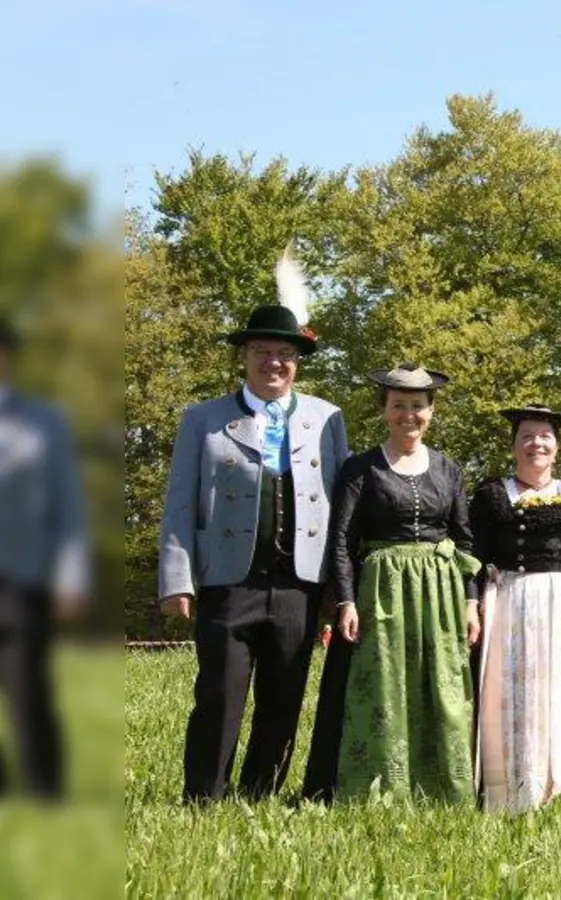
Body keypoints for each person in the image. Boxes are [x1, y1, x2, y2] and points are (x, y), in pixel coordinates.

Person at [157, 288, 350, 803]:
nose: (274, 362)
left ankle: (258, 795)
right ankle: (203, 797)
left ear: (297, 362)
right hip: (228, 579)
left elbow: (342, 508)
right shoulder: (203, 418)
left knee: (284, 698)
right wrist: (177, 578)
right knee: (219, 694)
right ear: (243, 356)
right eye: (263, 351)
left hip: (300, 584)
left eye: (285, 354)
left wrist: (340, 584)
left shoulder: (326, 418)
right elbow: (180, 503)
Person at [319, 364, 482, 804]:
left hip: (440, 592)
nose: (408, 414)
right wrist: (347, 601)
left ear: (431, 411)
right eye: (399, 406)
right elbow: (341, 539)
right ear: (384, 411)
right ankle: (380, 789)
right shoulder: (360, 468)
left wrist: (470, 602)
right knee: (384, 688)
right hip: (382, 589)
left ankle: (441, 788)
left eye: (417, 406)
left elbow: (464, 539)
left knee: (440, 686)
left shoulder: (449, 468)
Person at [469, 404, 561, 811]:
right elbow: (473, 554)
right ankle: (508, 790)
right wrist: (471, 602)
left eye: (544, 436)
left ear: (557, 447)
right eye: (526, 436)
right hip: (510, 600)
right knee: (509, 693)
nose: (535, 444)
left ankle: (559, 787)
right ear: (513, 446)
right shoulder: (492, 495)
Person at [0, 316, 88, 800]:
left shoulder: (44, 421)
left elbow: (68, 505)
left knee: (28, 689)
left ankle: (45, 793)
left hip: (22, 580)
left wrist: (70, 578)